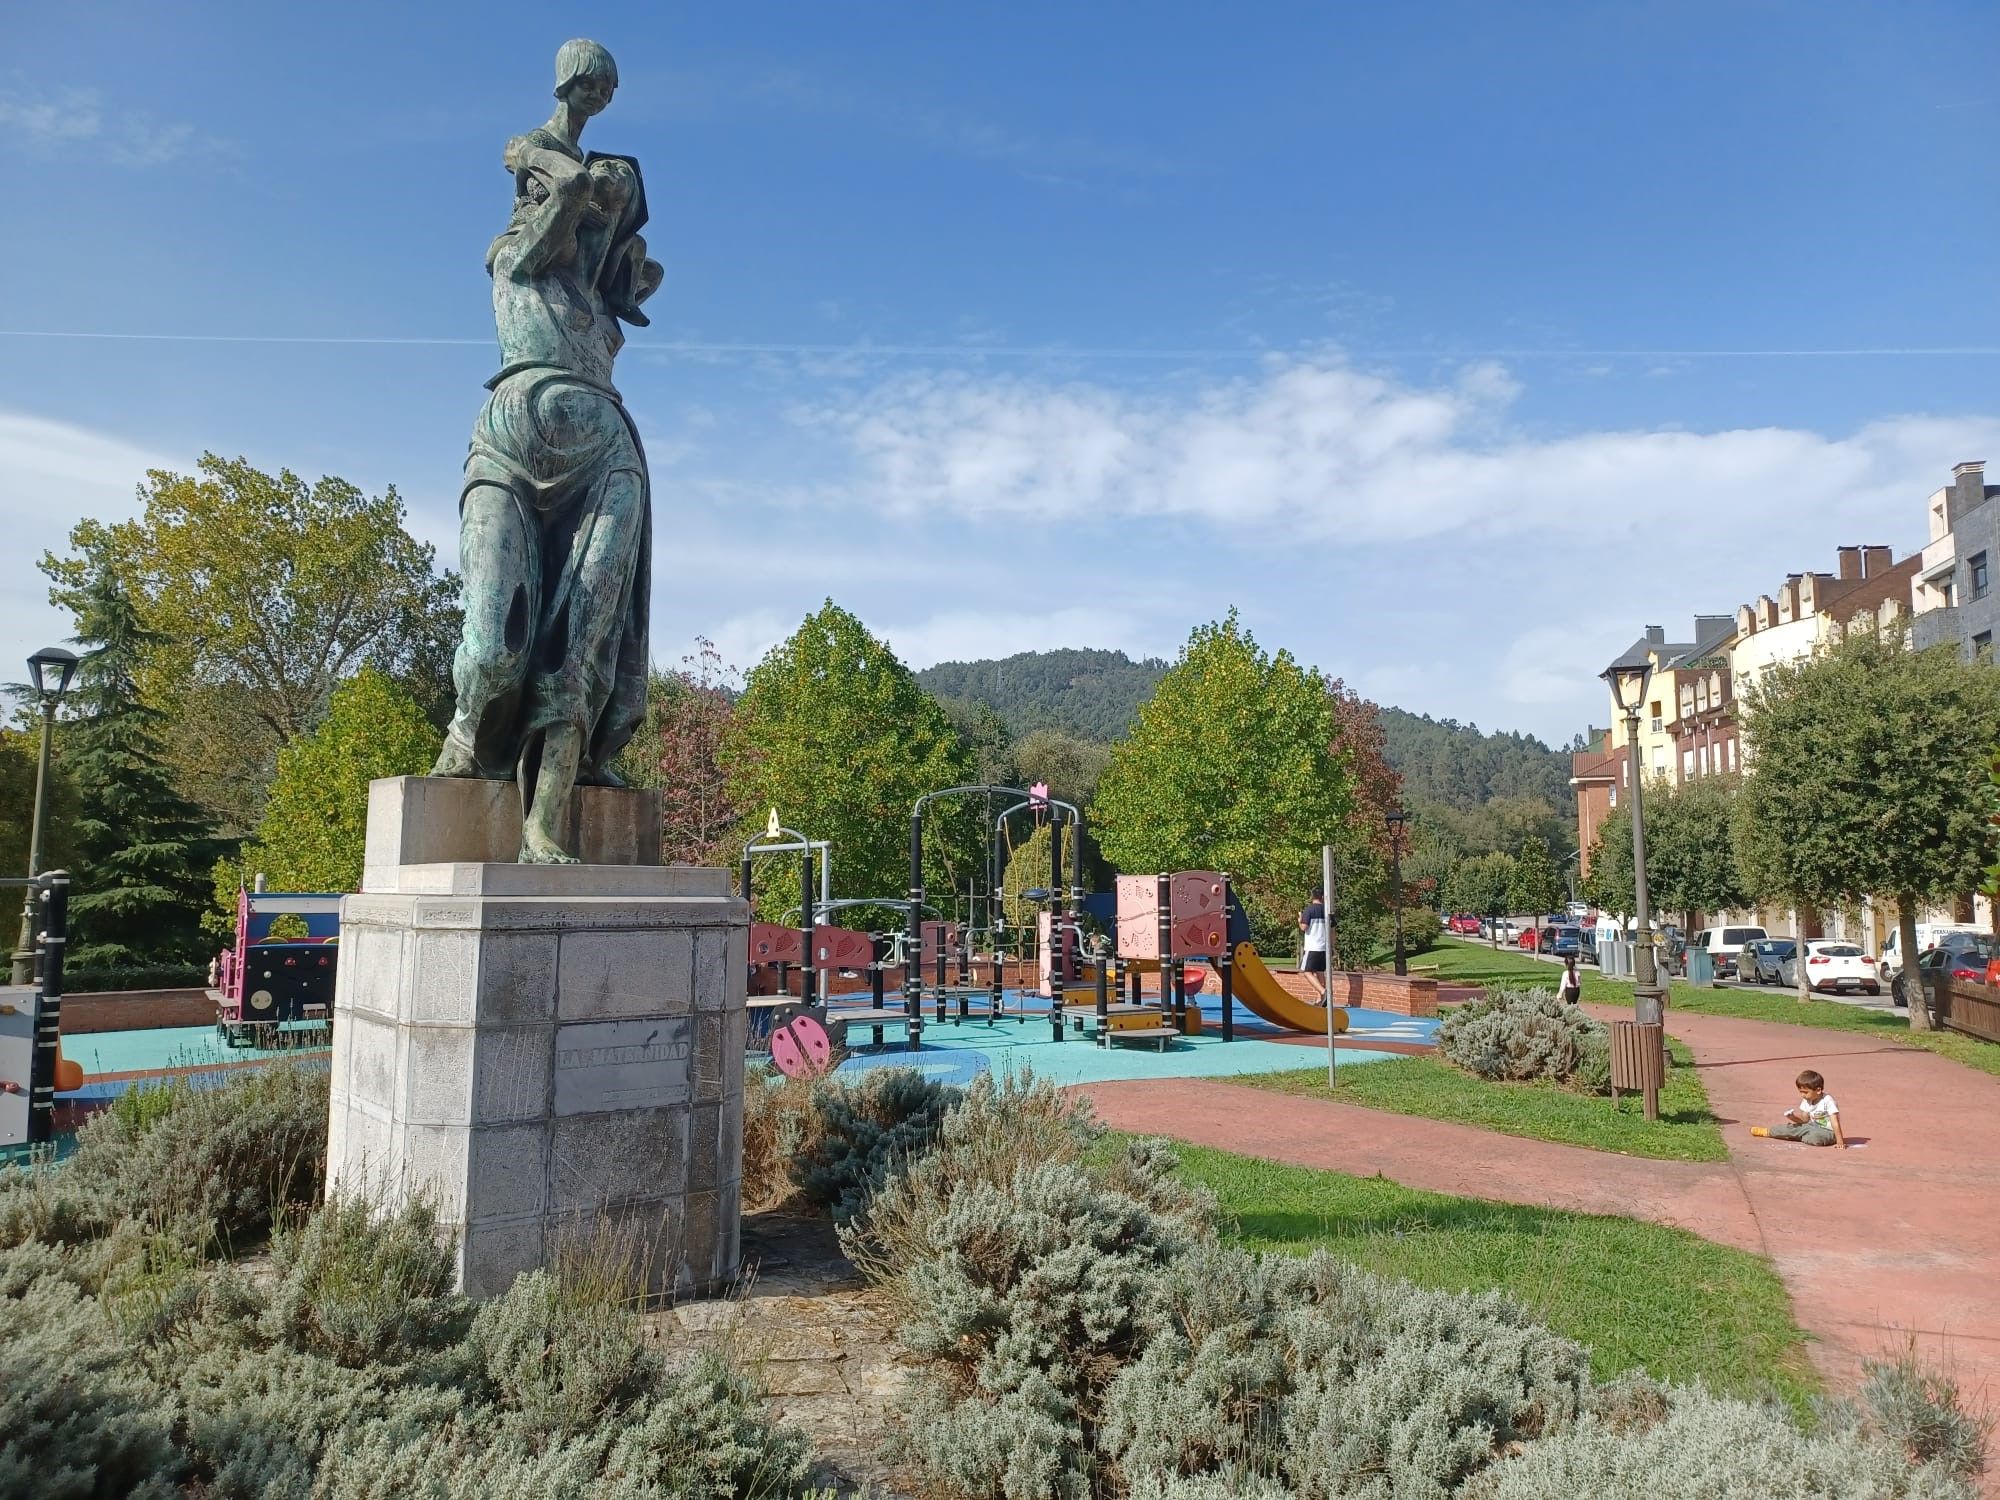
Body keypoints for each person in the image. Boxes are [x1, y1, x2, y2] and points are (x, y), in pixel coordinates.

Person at [1750, 1069, 1847, 1148]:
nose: (1802, 1095)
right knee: (1791, 1128)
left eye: (1805, 1092)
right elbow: (1804, 1119)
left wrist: (1840, 1141)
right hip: (1810, 1127)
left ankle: (1799, 1135)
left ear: (1818, 1090)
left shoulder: (1828, 1101)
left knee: (1815, 1138)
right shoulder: (1807, 1100)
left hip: (1828, 1132)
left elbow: (1835, 1123)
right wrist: (1792, 1117)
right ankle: (1768, 1132)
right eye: (1800, 1092)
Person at [1298, 887, 1328, 1002]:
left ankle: (1323, 992)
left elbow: (1304, 927)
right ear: (1322, 897)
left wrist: (1300, 921)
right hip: (1324, 947)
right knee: (1320, 972)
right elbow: (1333, 929)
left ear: (1312, 897)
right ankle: (1322, 1000)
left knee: (1307, 971)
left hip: (1312, 947)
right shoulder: (1327, 911)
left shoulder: (1309, 910)